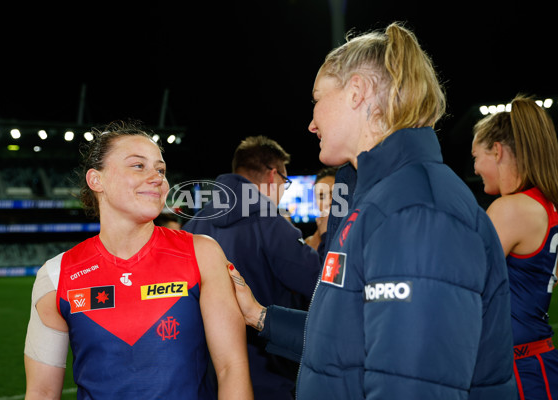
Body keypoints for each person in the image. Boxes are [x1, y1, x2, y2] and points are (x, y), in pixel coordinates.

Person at [226, 22, 517, 400]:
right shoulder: (380, 198)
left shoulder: (415, 210)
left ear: (357, 92)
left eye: (316, 99)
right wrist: (260, 316)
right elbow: (348, 344)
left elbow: (412, 388)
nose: (311, 123)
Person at [23, 121, 253, 400]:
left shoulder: (201, 253)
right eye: (138, 166)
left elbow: (232, 369)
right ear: (97, 180)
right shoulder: (55, 276)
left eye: (161, 169)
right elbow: (42, 392)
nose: (157, 177)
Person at [182, 135, 322, 400]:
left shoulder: (193, 227)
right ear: (272, 175)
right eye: (285, 181)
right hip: (274, 375)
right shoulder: (271, 224)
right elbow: (321, 285)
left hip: (212, 378)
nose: (284, 189)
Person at [471, 95, 558, 400]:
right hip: (536, 361)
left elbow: (465, 279)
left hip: (519, 369)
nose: (476, 167)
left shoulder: (510, 209)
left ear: (496, 151)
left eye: (476, 156)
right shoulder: (545, 204)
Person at [304, 166, 337, 253]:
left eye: (334, 193)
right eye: (322, 197)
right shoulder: (308, 244)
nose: (328, 201)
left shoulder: (357, 232)